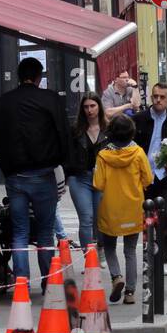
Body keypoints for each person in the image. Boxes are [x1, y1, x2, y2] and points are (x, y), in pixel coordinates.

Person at [0, 57, 72, 288]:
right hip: (44, 174)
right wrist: (64, 164)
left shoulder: (4, 102)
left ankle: (21, 282)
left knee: (20, 232)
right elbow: (64, 134)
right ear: (39, 77)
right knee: (45, 232)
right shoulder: (50, 99)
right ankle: (47, 282)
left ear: (18, 76)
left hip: (15, 177)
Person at [92, 114, 153, 305]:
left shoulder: (103, 155)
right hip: (133, 207)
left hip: (111, 208)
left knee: (109, 247)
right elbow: (148, 179)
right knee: (130, 251)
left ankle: (116, 276)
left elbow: (98, 183)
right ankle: (130, 292)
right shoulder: (138, 152)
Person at [132, 81, 167, 202]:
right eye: (155, 96)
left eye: (162, 97)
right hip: (141, 176)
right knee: (143, 215)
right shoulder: (138, 119)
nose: (158, 100)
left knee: (164, 215)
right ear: (151, 98)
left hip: (164, 177)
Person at [67, 92, 108, 250]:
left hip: (102, 179)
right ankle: (88, 258)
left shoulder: (108, 129)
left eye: (92, 106)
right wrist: (68, 175)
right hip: (80, 178)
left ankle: (102, 250)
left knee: (100, 219)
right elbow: (68, 154)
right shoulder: (75, 130)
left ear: (99, 107)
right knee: (86, 219)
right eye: (86, 107)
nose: (89, 110)